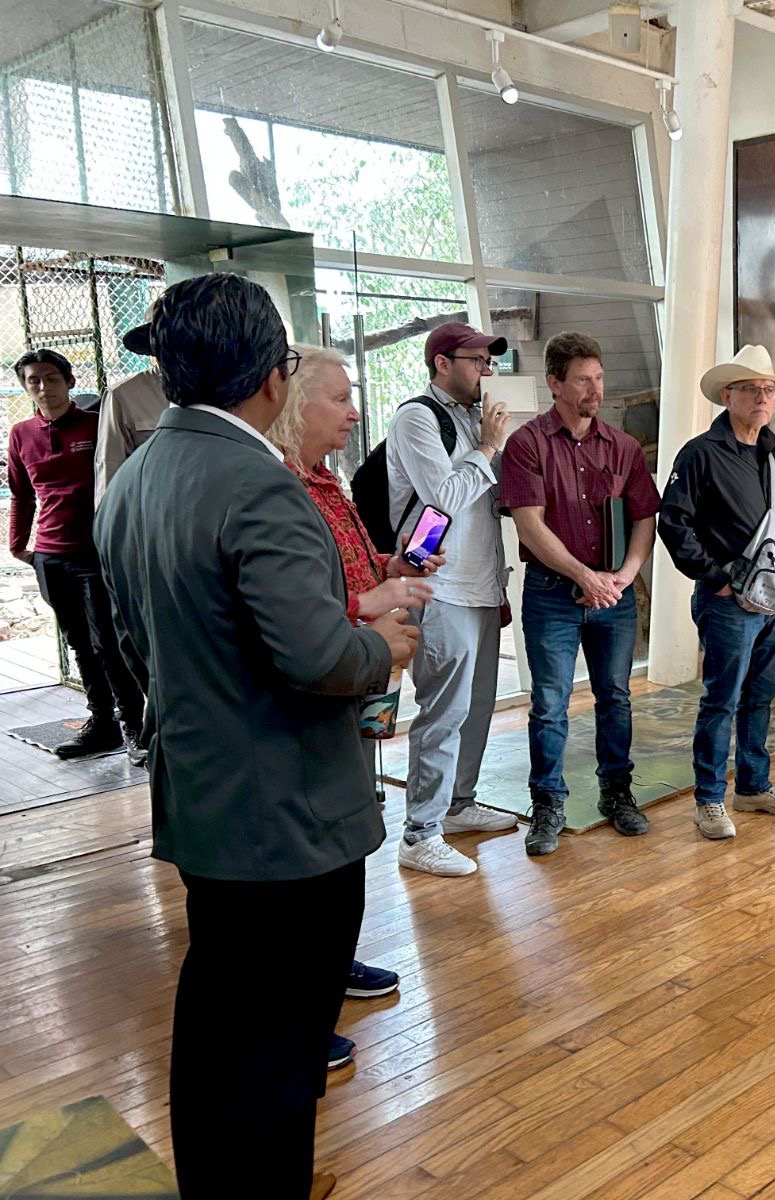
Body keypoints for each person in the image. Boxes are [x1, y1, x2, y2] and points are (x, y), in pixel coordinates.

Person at [94, 273, 420, 1198]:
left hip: (202, 802)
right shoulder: (261, 487)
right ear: (272, 377)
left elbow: (139, 644)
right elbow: (320, 658)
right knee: (280, 1057)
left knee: (217, 1030)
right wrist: (381, 644)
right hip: (292, 820)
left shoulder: (133, 481)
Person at [267, 343, 447, 1070]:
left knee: (345, 846)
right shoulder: (273, 490)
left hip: (353, 679)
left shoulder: (324, 480)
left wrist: (394, 569)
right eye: (339, 398)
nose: (353, 411)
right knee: (313, 864)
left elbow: (356, 562)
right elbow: (292, 610)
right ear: (292, 402)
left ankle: (332, 969)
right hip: (316, 686)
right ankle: (302, 1007)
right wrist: (367, 604)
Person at [500, 332, 661, 856]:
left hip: (613, 595)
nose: (596, 388)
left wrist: (624, 573)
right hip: (552, 594)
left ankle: (618, 795)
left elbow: (644, 518)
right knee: (549, 704)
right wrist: (582, 576)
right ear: (555, 384)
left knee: (615, 697)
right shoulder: (527, 445)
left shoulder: (625, 448)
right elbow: (529, 525)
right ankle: (547, 806)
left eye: (599, 377)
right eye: (583, 380)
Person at [659, 345, 775, 841]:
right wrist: (716, 578)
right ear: (729, 396)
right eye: (752, 389)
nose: (763, 397)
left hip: (773, 602)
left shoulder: (774, 454)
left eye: (769, 389)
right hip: (726, 603)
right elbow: (674, 522)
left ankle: (752, 785)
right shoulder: (701, 454)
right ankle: (708, 799)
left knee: (760, 697)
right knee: (721, 700)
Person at [390, 321, 520, 877]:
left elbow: (489, 508)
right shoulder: (417, 417)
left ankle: (459, 804)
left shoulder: (474, 421)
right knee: (443, 711)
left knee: (478, 706)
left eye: (490, 362)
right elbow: (442, 497)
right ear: (443, 363)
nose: (486, 372)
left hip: (480, 585)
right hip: (438, 587)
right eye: (477, 361)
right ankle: (420, 832)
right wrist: (489, 447)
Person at [7, 348, 146, 762]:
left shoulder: (95, 424)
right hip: (50, 555)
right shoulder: (21, 433)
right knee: (79, 645)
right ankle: (100, 723)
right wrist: (20, 546)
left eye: (51, 378)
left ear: (69, 382)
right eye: (33, 380)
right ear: (25, 387)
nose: (43, 387)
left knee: (108, 641)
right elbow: (21, 494)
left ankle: (134, 728)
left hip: (96, 551)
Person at [94, 321, 168, 505]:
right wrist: (110, 527)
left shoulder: (228, 390)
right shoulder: (124, 395)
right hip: (152, 511)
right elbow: (109, 467)